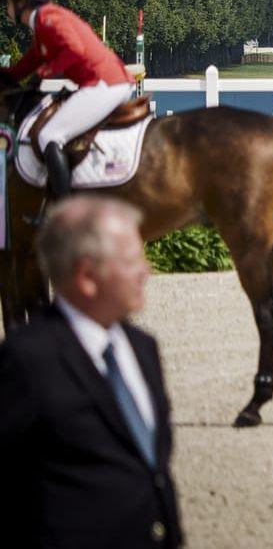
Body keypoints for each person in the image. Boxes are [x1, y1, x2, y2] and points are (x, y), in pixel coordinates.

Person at [0, 195, 183, 548]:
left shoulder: (143, 347)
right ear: (86, 275)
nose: (146, 270)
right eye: (131, 260)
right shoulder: (25, 359)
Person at [2, 0, 134, 201]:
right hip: (106, 82)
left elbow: (74, 49)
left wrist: (44, 72)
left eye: (9, 2)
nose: (7, 8)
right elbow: (24, 67)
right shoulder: (43, 25)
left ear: (22, 1)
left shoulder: (47, 18)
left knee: (48, 136)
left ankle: (65, 208)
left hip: (103, 83)